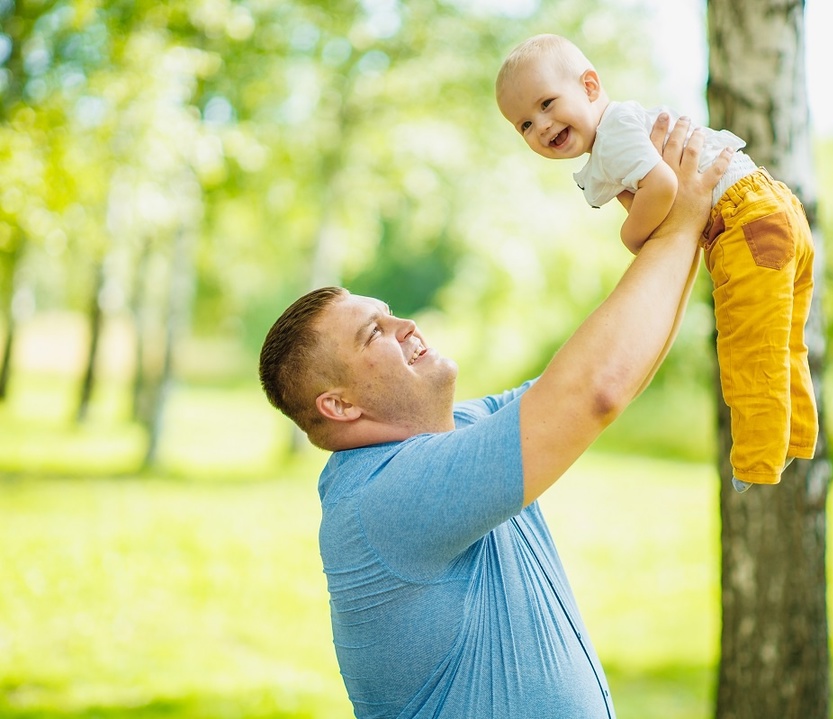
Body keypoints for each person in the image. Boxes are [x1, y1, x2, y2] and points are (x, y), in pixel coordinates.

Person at [258, 115, 728, 718]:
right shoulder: (384, 499)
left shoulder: (462, 430)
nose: (406, 325)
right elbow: (593, 392)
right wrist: (678, 229)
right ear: (340, 405)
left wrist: (679, 228)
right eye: (375, 332)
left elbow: (614, 376)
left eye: (390, 311)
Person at [495, 33, 818, 492]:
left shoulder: (612, 135)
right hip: (774, 208)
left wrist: (632, 235)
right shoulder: (620, 130)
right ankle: (795, 439)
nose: (541, 125)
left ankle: (755, 463)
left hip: (744, 221)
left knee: (749, 344)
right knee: (783, 340)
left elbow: (663, 186)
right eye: (524, 124)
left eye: (547, 103)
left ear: (590, 86)